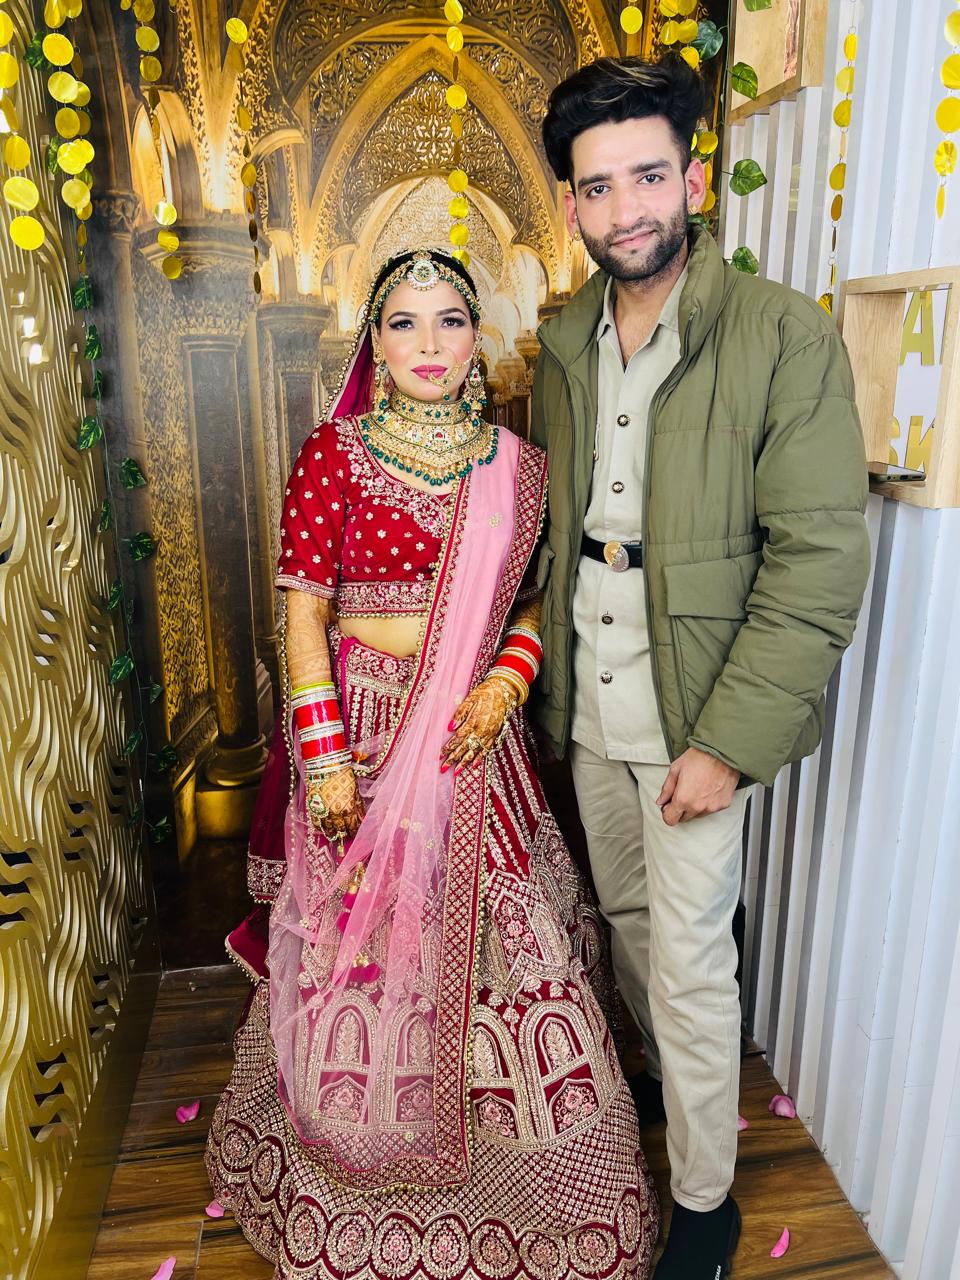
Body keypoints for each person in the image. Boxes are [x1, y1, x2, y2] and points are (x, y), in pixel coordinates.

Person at [206, 248, 660, 1280]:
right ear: (375, 340)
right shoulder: (334, 453)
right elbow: (304, 614)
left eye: (448, 320)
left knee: (511, 951)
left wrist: (505, 683)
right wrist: (325, 758)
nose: (426, 344)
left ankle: (544, 1217)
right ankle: (358, 1201)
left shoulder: (516, 464)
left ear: (476, 339)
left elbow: (535, 600)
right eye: (402, 322)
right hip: (363, 732)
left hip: (473, 738)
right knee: (361, 962)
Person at [532, 56, 870, 1280]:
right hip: (590, 704)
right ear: (572, 202)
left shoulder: (783, 335)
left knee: (687, 961)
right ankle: (681, 1102)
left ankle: (707, 1204)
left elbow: (818, 560)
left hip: (697, 712)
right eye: (598, 186)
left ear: (693, 176)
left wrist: (725, 744)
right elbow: (554, 529)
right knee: (629, 927)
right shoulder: (560, 341)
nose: (626, 209)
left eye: (647, 176)